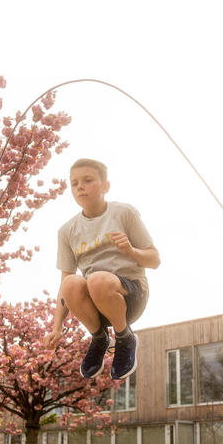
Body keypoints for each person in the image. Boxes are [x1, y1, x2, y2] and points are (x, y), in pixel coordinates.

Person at [45, 158, 160, 380]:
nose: (80, 187)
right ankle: (99, 338)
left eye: (87, 180)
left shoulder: (124, 213)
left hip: (130, 295)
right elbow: (64, 285)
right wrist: (56, 327)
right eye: (74, 183)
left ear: (105, 186)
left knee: (97, 280)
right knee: (71, 282)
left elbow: (155, 260)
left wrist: (131, 251)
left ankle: (125, 337)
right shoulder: (66, 231)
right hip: (95, 305)